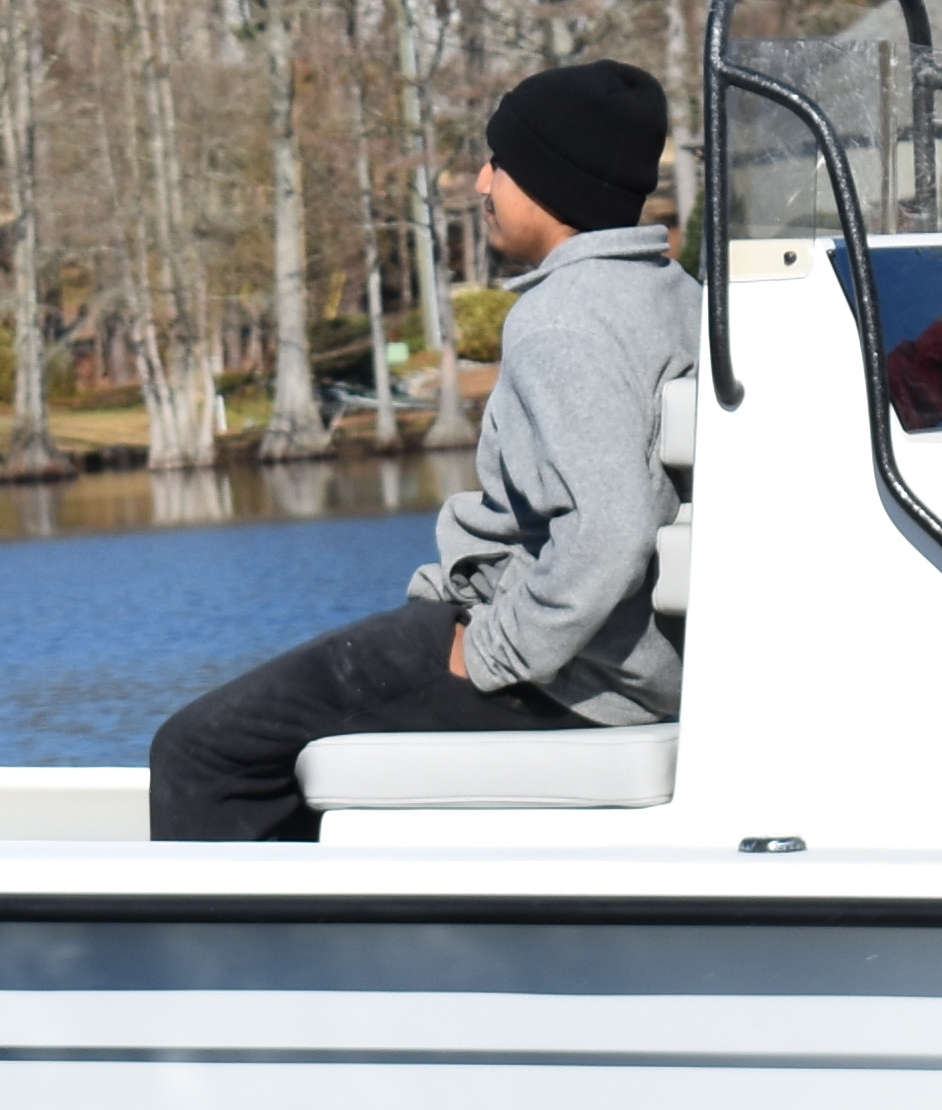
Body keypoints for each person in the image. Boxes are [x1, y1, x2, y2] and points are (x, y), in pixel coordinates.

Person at [145, 60, 688, 840]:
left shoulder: (564, 321)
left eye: (498, 163)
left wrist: (499, 650)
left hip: (568, 676)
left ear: (549, 182)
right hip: (609, 663)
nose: (478, 183)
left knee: (203, 753)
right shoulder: (677, 293)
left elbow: (609, 532)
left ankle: (239, 964)